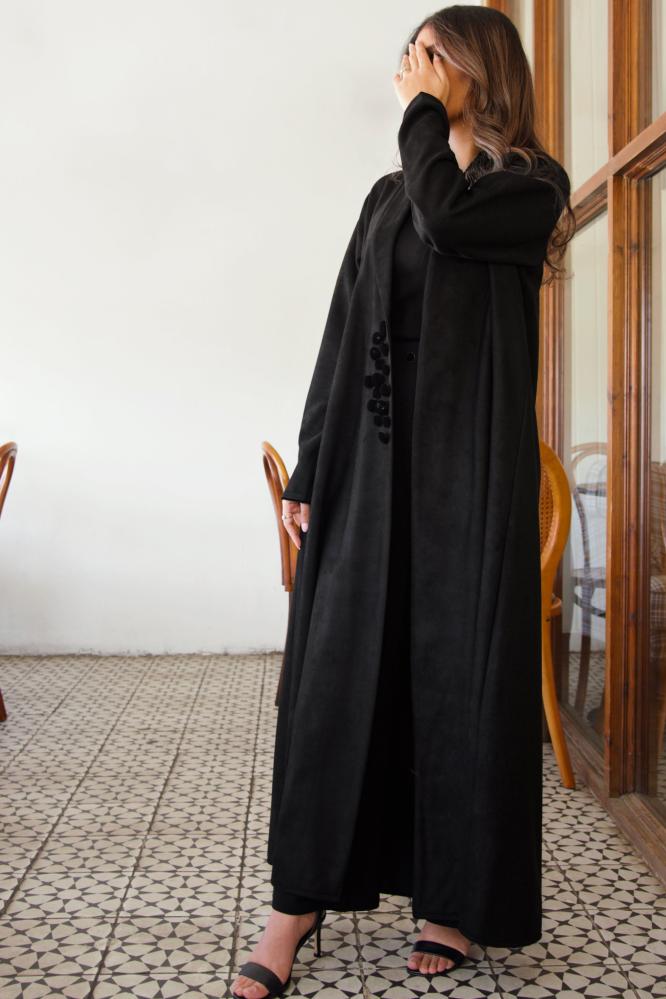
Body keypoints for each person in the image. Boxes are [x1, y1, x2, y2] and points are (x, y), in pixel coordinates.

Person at [232, 6, 574, 998]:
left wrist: (422, 115)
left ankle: (450, 902)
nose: (413, 68)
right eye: (411, 56)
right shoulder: (387, 197)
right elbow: (342, 334)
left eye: (432, 55)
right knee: (337, 676)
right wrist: (312, 467)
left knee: (458, 678)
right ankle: (296, 902)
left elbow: (450, 218)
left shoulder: (529, 186)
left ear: (477, 68)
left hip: (471, 475)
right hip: (372, 467)